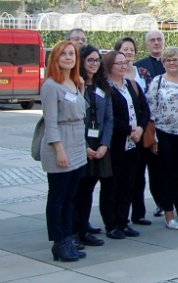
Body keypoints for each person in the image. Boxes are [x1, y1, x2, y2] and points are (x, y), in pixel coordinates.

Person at [41, 41, 88, 262]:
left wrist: (82, 88)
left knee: (71, 196)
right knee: (58, 197)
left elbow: (82, 111)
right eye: (64, 54)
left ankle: (68, 237)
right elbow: (50, 122)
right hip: (60, 143)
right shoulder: (51, 85)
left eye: (72, 54)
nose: (68, 57)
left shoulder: (75, 82)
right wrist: (59, 150)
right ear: (56, 58)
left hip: (77, 143)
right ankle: (58, 241)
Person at [146, 46, 178, 230]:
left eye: (176, 59)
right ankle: (169, 215)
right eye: (168, 60)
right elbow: (150, 109)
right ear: (163, 63)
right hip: (164, 134)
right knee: (166, 175)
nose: (172, 63)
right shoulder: (157, 82)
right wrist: (154, 138)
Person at [104, 51, 150, 239]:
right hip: (115, 143)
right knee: (112, 185)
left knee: (128, 184)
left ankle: (123, 222)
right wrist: (128, 129)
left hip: (133, 144)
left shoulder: (132, 85)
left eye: (125, 63)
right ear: (109, 66)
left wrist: (140, 128)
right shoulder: (105, 88)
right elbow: (108, 117)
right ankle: (111, 224)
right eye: (118, 63)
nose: (123, 67)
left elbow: (144, 110)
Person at [114, 37, 156, 227]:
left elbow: (146, 105)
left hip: (141, 132)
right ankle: (116, 219)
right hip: (120, 136)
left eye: (131, 50)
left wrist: (140, 127)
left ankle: (137, 214)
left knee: (138, 176)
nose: (129, 53)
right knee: (119, 179)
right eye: (125, 50)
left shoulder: (141, 74)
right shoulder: (109, 80)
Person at [73, 45, 112, 247]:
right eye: (90, 60)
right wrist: (84, 146)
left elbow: (109, 119)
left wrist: (105, 144)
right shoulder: (75, 86)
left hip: (99, 145)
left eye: (97, 60)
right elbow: (75, 119)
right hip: (81, 144)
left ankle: (84, 228)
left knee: (89, 188)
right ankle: (75, 231)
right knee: (78, 189)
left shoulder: (103, 86)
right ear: (82, 62)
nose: (95, 64)